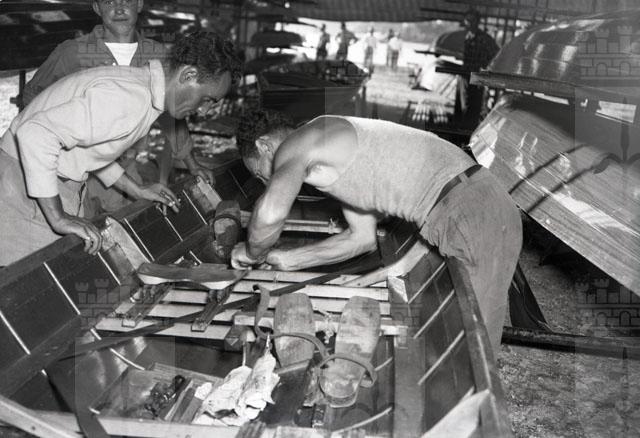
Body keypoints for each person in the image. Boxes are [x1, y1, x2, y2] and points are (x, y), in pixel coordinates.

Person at [231, 110, 522, 355]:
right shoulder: (331, 151)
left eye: (258, 172)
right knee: (464, 339)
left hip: (470, 210)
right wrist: (288, 260)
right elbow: (361, 240)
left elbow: (270, 214)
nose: (265, 181)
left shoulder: (298, 144)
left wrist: (252, 252)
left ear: (264, 146)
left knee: (473, 349)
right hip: (467, 203)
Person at [0, 31, 242, 266]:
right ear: (188, 75)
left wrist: (136, 189)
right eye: (207, 99)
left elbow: (88, 151)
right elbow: (34, 134)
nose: (204, 111)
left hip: (40, 179)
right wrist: (58, 217)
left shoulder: (141, 91)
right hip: (25, 188)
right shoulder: (129, 99)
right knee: (30, 283)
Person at [22, 0, 214, 218]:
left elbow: (172, 115)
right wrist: (51, 149)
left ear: (139, 4)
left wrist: (192, 164)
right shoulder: (72, 53)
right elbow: (33, 97)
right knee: (74, 230)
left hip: (124, 171)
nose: (120, 8)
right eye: (109, 1)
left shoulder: (159, 56)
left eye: (127, 0)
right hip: (72, 171)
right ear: (96, 7)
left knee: (128, 227)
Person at [457, 9, 499, 127]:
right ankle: (463, 129)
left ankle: (469, 132)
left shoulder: (485, 39)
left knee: (473, 107)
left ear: (478, 22)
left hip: (477, 77)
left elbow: (496, 55)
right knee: (464, 106)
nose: (470, 23)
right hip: (465, 76)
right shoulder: (467, 37)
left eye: (473, 20)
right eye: (468, 20)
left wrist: (484, 68)